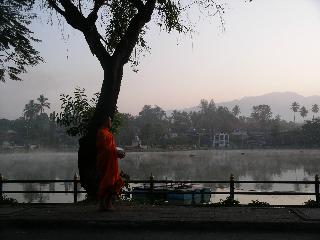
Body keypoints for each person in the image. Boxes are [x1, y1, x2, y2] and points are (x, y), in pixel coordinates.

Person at [96, 116, 125, 211]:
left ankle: (107, 203)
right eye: (109, 120)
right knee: (107, 183)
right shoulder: (102, 133)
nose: (110, 122)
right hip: (105, 162)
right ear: (105, 121)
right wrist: (115, 152)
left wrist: (117, 153)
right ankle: (102, 204)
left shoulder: (107, 133)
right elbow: (104, 149)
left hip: (111, 162)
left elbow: (110, 148)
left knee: (115, 182)